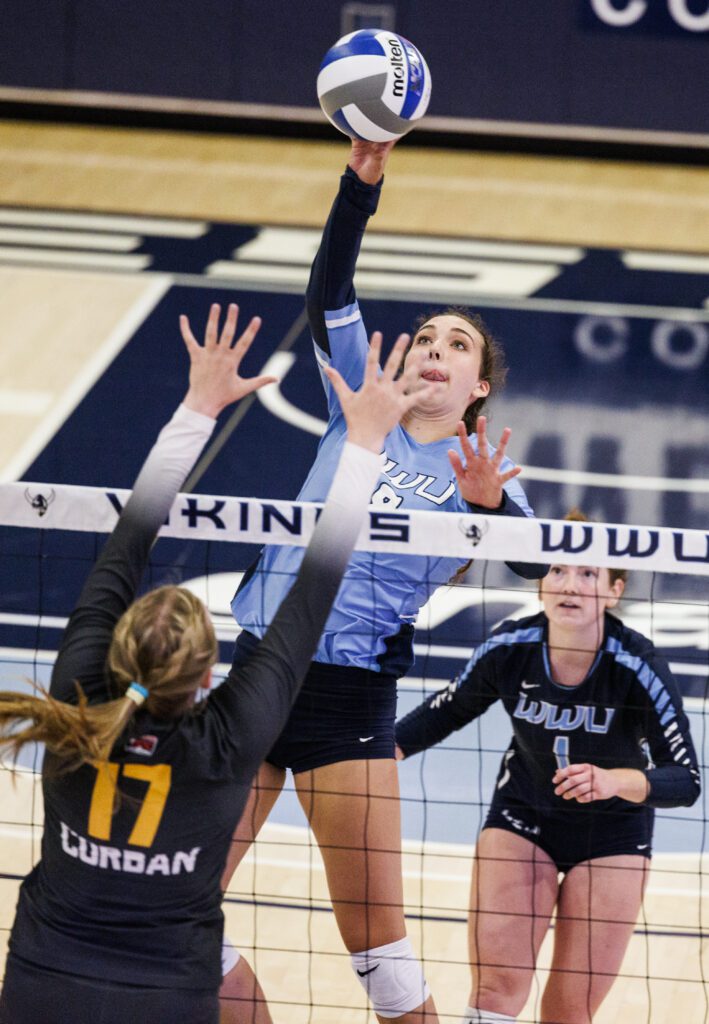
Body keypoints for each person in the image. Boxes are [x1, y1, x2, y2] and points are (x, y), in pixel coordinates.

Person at [0, 302, 429, 1024]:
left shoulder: (78, 702)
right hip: (167, 999)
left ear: (116, 645)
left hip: (42, 986)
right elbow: (317, 582)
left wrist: (200, 406)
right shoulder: (230, 739)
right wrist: (365, 442)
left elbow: (128, 536)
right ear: (209, 678)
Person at [221, 139, 548, 1024]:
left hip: (345, 701)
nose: (437, 349)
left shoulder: (483, 469)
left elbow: (540, 567)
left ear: (478, 387)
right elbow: (329, 292)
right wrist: (359, 184)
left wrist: (490, 510)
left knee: (379, 955)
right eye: (429, 337)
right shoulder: (359, 405)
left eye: (459, 345)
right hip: (255, 671)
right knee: (182, 908)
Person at [395, 517, 701, 1024]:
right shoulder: (510, 648)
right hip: (523, 816)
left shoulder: (637, 667)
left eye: (588, 574)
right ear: (540, 580)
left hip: (613, 834)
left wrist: (613, 781)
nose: (569, 585)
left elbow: (685, 779)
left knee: (568, 1010)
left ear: (614, 590)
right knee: (495, 992)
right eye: (557, 569)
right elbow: (444, 711)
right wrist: (378, 752)